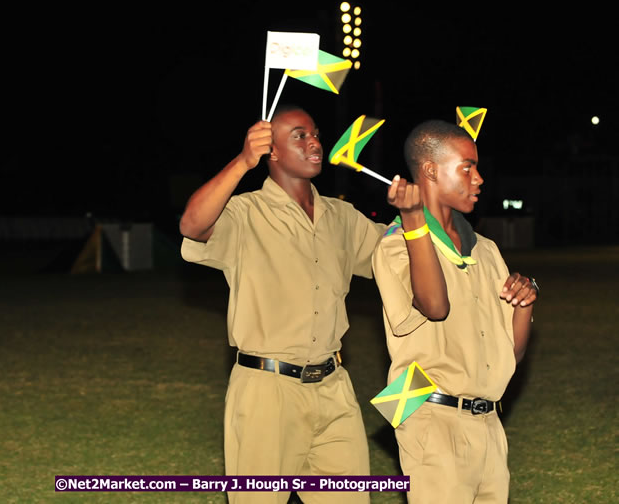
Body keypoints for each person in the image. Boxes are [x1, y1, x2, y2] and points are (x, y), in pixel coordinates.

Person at [179, 106, 408, 504]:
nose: (315, 142)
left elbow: (398, 254)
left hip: (334, 388)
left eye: (315, 133)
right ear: (273, 152)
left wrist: (414, 215)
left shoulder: (341, 217)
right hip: (267, 392)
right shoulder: (245, 213)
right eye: (299, 135)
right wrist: (241, 161)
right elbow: (192, 226)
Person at [372, 120, 537, 503]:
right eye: (467, 167)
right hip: (432, 418)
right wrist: (414, 221)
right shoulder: (396, 243)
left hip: (488, 423)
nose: (479, 178)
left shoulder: (486, 250)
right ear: (430, 170)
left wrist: (526, 303)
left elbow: (510, 354)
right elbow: (434, 305)